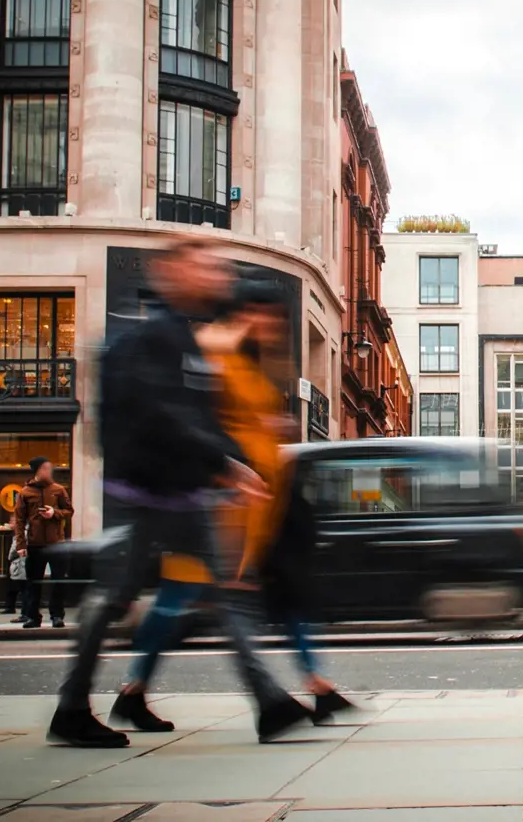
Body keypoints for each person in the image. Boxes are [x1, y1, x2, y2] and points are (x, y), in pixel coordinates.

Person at [47, 236, 312, 749]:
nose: (218, 277)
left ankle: (270, 703)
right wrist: (227, 464)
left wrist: (233, 461)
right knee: (115, 600)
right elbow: (161, 414)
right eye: (205, 267)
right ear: (171, 272)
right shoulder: (156, 337)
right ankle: (73, 705)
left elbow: (202, 417)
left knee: (226, 597)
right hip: (147, 493)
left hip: (185, 493)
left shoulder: (186, 338)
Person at [112, 279, 353, 730]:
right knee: (187, 599)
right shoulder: (216, 352)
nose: (273, 325)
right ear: (245, 312)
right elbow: (199, 423)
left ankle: (136, 692)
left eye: (278, 319)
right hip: (218, 503)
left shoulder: (252, 362)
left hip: (256, 505)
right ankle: (274, 700)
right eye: (265, 315)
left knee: (198, 599)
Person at [15, 457, 74, 629]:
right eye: (46, 468)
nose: (49, 471)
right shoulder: (25, 493)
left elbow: (69, 511)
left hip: (57, 543)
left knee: (58, 581)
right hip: (35, 544)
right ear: (38, 471)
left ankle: (57, 616)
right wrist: (20, 545)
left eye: (50, 468)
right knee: (34, 582)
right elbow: (19, 521)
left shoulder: (59, 490)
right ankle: (33, 617)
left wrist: (54, 513)